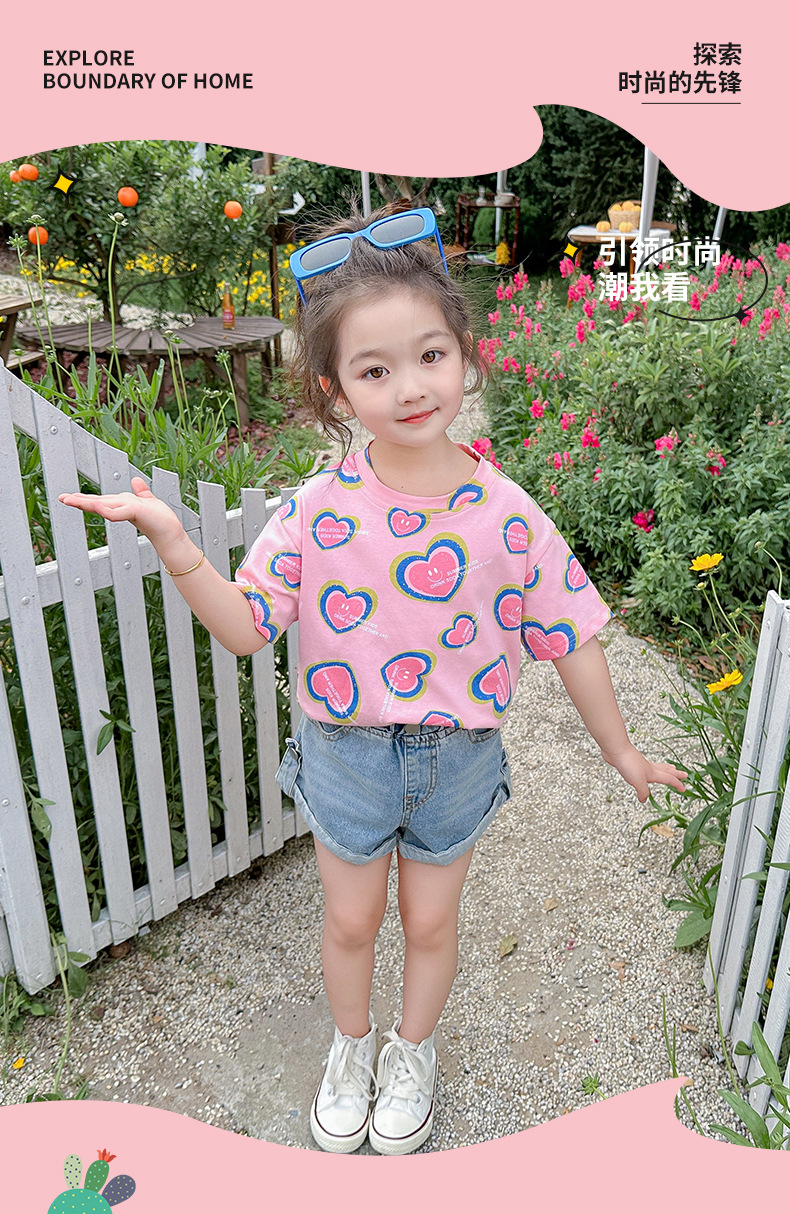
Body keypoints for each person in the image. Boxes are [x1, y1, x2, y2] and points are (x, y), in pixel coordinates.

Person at [59, 206, 687, 1158]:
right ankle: (350, 1049)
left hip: (459, 758)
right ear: (335, 389)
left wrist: (622, 749)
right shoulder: (318, 510)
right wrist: (176, 543)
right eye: (374, 370)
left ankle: (412, 1050)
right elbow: (246, 628)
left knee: (430, 924)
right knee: (352, 924)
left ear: (466, 355)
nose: (410, 387)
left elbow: (573, 635)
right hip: (346, 754)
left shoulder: (508, 513)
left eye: (430, 355)